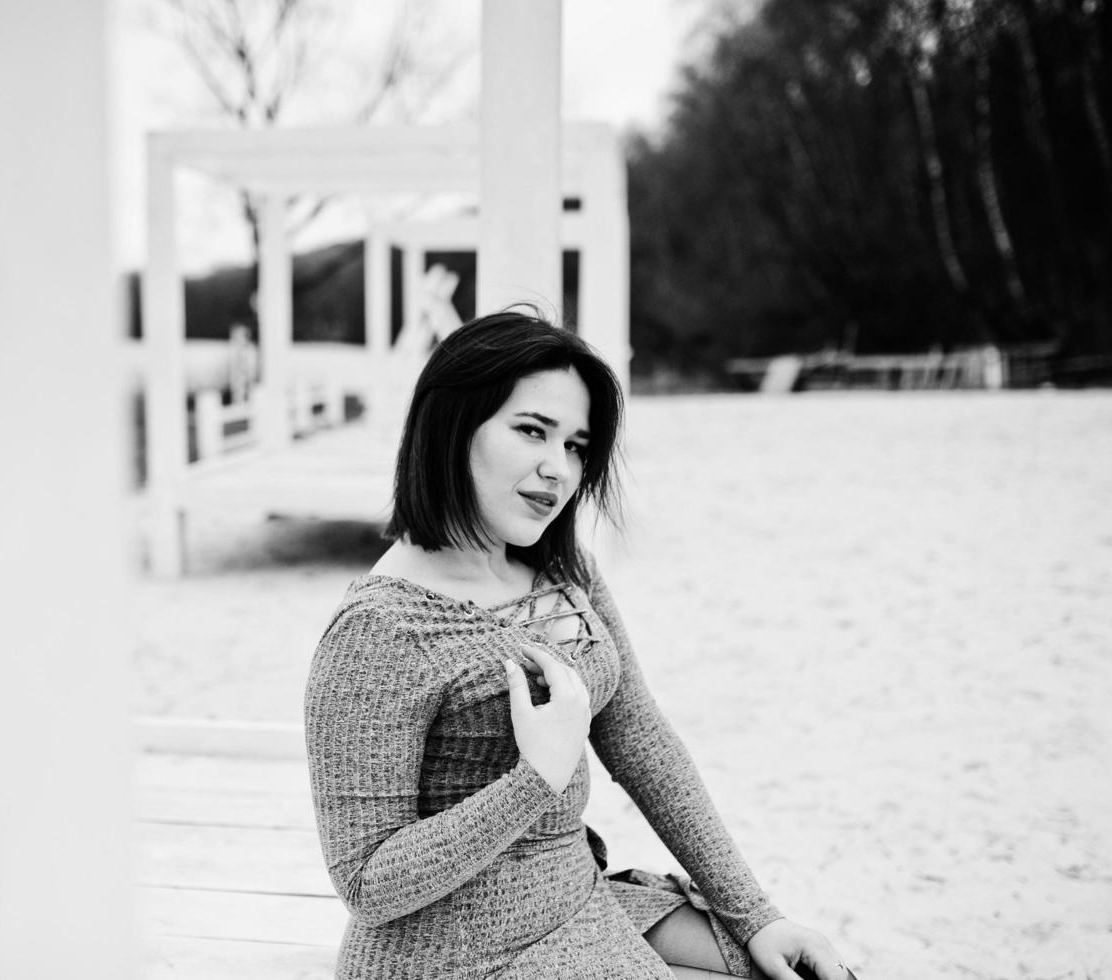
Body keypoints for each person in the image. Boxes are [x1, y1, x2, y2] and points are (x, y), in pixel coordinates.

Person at [304, 310, 855, 979]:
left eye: (575, 446)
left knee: (801, 970)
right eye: (531, 431)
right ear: (450, 424)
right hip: (455, 959)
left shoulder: (565, 572)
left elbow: (640, 738)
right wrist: (534, 779)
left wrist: (753, 913)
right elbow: (366, 882)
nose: (557, 471)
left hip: (581, 900)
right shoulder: (378, 631)